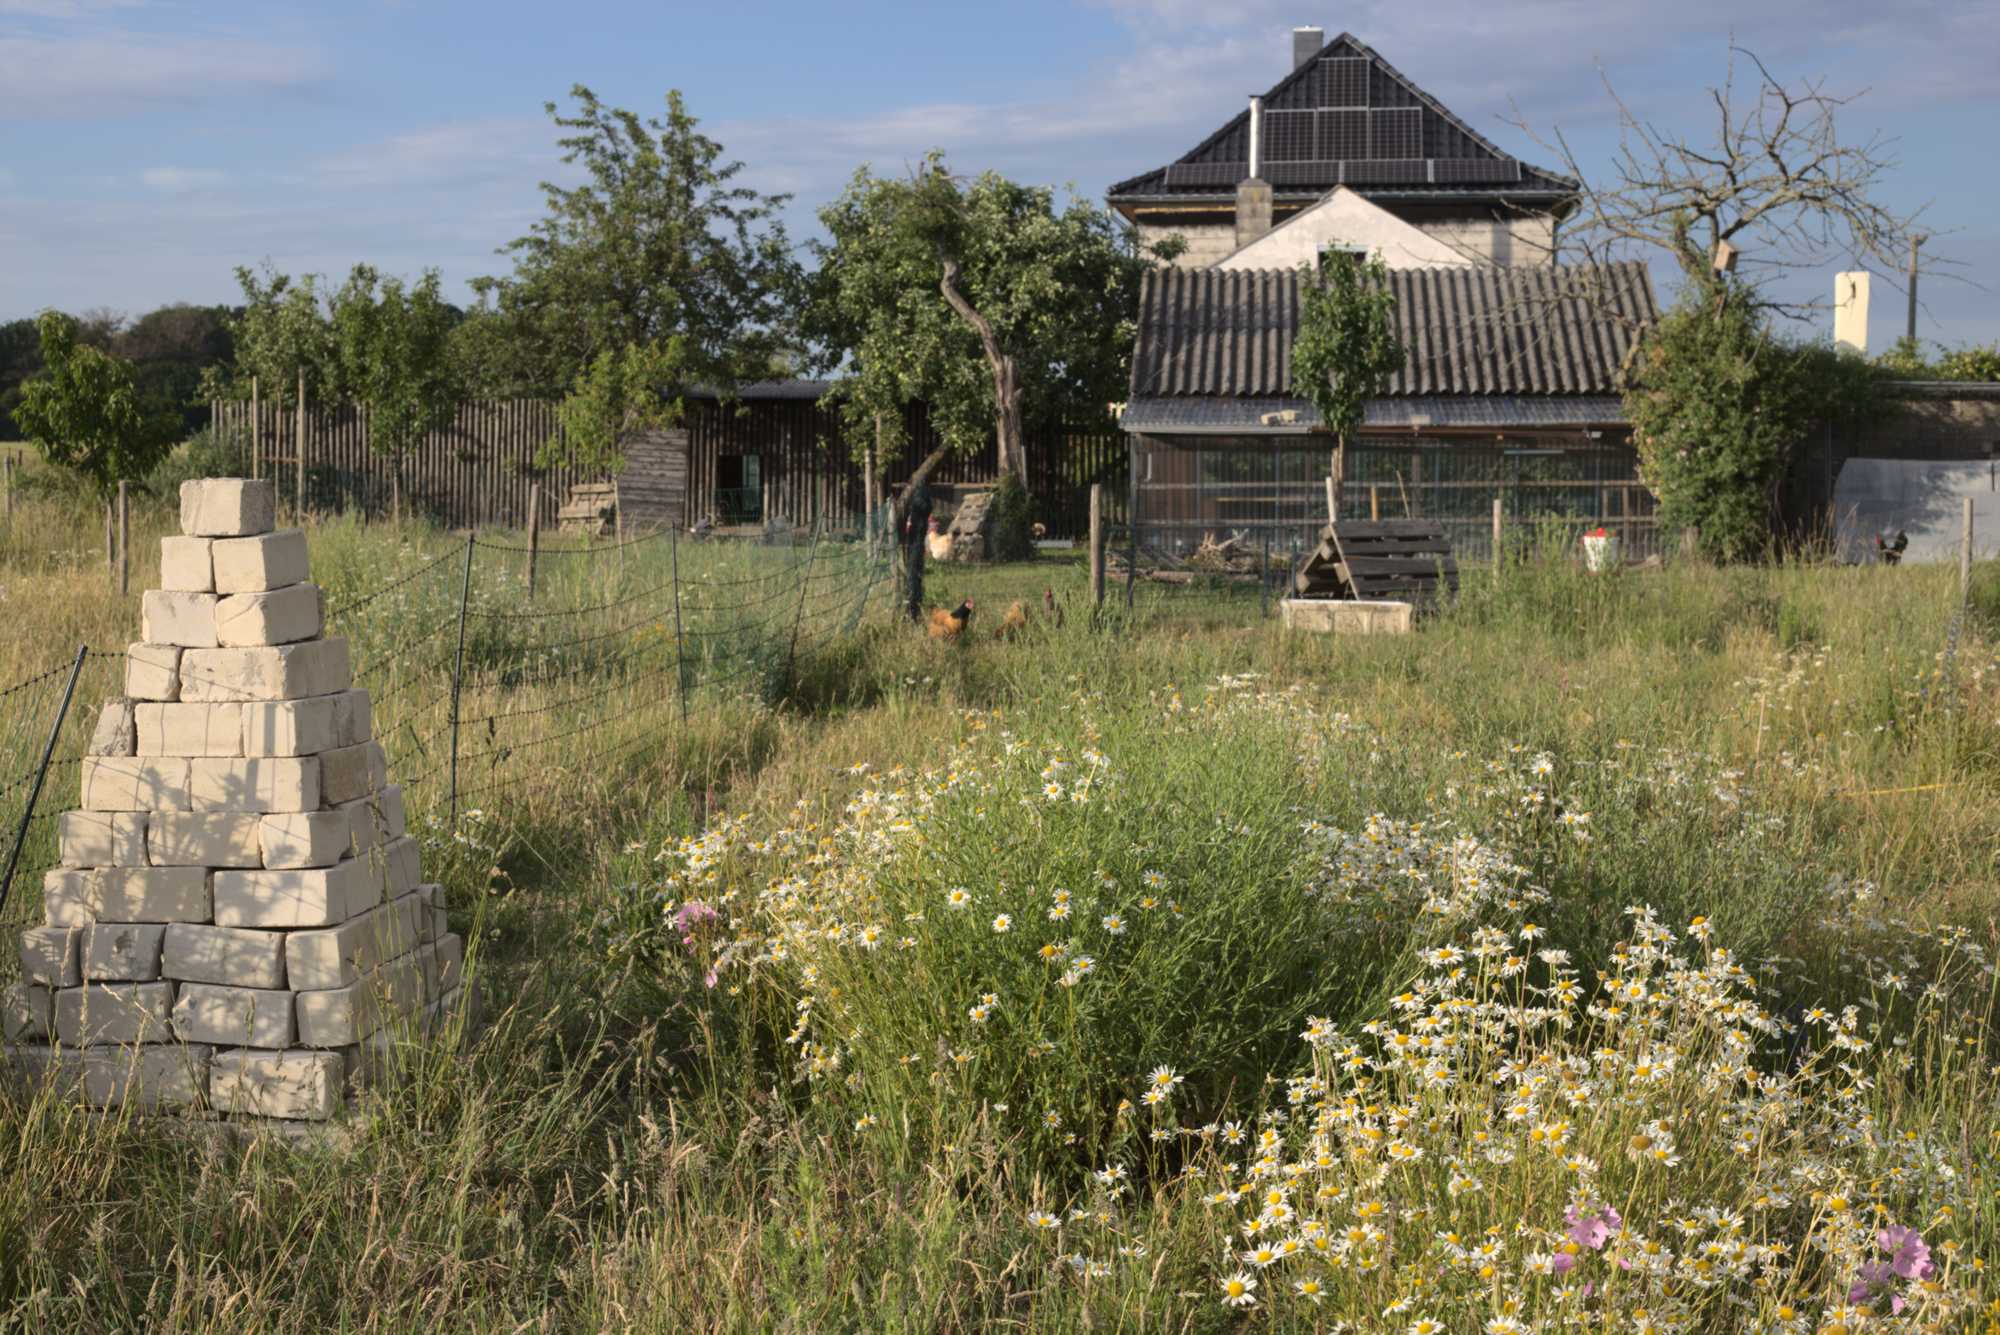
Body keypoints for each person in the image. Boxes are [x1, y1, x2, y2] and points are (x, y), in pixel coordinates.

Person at [901, 479, 934, 621]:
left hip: (916, 541)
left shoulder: (919, 500)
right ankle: (914, 607)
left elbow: (921, 506)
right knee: (915, 575)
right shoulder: (924, 500)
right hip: (916, 542)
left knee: (913, 575)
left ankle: (912, 609)